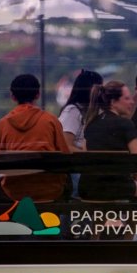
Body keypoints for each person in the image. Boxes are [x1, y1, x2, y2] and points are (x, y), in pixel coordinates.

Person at [0, 73, 70, 201]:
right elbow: (65, 156)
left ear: (12, 96)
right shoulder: (50, 121)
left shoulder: (3, 123)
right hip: (50, 190)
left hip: (15, 191)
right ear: (38, 95)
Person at [81, 81, 137, 200]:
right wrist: (134, 178)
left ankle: (104, 219)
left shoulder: (91, 124)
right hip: (115, 187)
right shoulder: (126, 124)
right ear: (113, 102)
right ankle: (127, 219)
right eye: (127, 98)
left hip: (87, 187)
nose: (131, 102)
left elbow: (84, 154)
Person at [58, 69, 103, 198]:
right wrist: (90, 156)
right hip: (75, 168)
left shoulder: (91, 111)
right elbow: (66, 145)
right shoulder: (73, 111)